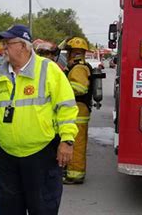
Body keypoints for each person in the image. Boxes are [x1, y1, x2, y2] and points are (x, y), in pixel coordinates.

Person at [0, 25, 79, 215]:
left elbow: (66, 108)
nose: (3, 47)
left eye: (8, 43)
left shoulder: (48, 70)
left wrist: (67, 141)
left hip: (41, 156)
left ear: (24, 46)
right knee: (9, 209)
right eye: (3, 43)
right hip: (7, 156)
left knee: (42, 208)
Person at [62, 37, 92, 185]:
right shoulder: (76, 67)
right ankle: (71, 171)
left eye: (70, 52)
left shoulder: (79, 68)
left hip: (79, 110)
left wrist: (62, 89)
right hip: (78, 109)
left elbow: (80, 88)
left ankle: (75, 175)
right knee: (74, 142)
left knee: (77, 143)